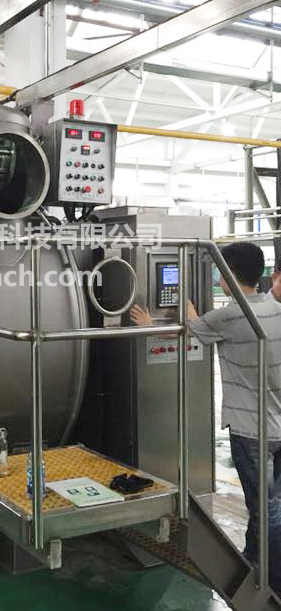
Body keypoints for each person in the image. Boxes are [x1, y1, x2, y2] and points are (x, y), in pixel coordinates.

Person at [130, 242, 281, 593]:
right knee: (270, 503)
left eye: (219, 271)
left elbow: (183, 332)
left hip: (252, 430)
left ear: (227, 275)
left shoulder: (230, 316)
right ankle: (252, 559)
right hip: (278, 426)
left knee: (265, 509)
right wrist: (194, 315)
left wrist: (149, 323)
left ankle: (272, 582)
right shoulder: (274, 308)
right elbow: (199, 325)